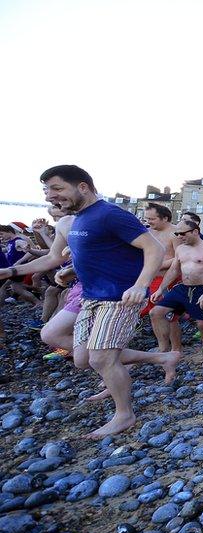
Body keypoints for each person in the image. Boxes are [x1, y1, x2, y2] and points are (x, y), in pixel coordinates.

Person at [0, 165, 164, 438]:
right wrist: (12, 271)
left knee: (101, 358)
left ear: (83, 187)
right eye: (47, 191)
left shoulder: (109, 214)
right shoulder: (77, 219)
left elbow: (154, 248)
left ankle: (124, 414)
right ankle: (152, 362)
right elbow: (53, 258)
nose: (50, 196)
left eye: (57, 188)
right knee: (82, 359)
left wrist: (140, 285)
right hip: (90, 296)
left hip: (119, 297)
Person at [149, 220, 203, 368]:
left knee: (202, 324)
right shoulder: (181, 249)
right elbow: (174, 270)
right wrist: (160, 289)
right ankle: (163, 349)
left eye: (183, 233)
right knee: (156, 312)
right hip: (183, 288)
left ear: (195, 231)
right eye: (177, 233)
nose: (179, 236)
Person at [141, 203, 181, 353]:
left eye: (152, 219)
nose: (148, 222)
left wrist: (159, 265)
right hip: (150, 278)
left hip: (169, 279)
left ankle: (175, 349)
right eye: (147, 218)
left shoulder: (176, 233)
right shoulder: (147, 232)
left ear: (165, 218)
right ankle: (162, 346)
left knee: (168, 315)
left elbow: (180, 257)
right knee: (154, 314)